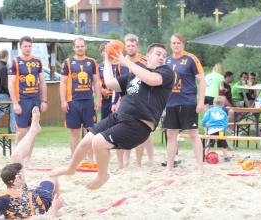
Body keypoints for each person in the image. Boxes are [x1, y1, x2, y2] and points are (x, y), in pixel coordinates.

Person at [50, 43, 174, 190]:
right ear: (148, 56)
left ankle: (103, 175)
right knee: (86, 141)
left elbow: (151, 79)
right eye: (158, 54)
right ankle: (70, 168)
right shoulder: (133, 75)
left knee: (98, 142)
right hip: (119, 116)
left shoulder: (166, 72)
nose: (162, 57)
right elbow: (109, 83)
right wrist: (108, 61)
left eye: (164, 55)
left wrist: (128, 62)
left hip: (139, 124)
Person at [0, 107, 65, 219]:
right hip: (38, 199)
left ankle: (33, 129)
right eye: (20, 176)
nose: (23, 175)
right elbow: (42, 218)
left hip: (22, 194)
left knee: (16, 156)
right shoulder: (34, 199)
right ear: (17, 180)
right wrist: (54, 209)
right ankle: (57, 203)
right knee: (51, 174)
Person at [111, 34, 157, 172]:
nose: (131, 48)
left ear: (137, 47)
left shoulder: (144, 60)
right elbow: (117, 83)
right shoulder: (120, 62)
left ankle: (148, 160)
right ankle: (124, 161)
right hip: (126, 99)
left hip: (144, 100)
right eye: (128, 46)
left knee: (145, 132)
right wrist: (115, 101)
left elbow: (152, 78)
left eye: (133, 45)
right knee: (122, 129)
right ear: (125, 47)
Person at [164, 33, 205, 174]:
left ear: (183, 44)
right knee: (171, 135)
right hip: (171, 102)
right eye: (173, 43)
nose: (176, 45)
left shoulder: (190, 58)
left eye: (178, 43)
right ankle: (169, 166)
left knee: (193, 134)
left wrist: (201, 102)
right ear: (170, 44)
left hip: (187, 101)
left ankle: (200, 167)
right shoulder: (167, 60)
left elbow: (202, 80)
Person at [8, 36, 48, 167]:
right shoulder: (14, 62)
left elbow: (42, 81)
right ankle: (17, 158)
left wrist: (44, 101)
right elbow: (10, 84)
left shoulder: (37, 61)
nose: (27, 48)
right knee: (20, 132)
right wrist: (15, 103)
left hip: (35, 100)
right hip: (22, 100)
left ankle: (27, 160)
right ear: (20, 47)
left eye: (29, 46)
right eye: (25, 46)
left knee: (32, 130)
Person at [60, 37, 102, 162]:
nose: (80, 48)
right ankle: (75, 159)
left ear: (85, 47)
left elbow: (96, 82)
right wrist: (63, 100)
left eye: (82, 46)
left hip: (88, 101)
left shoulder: (92, 62)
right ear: (73, 48)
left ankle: (90, 159)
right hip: (73, 102)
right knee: (74, 131)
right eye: (77, 46)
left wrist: (99, 99)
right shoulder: (67, 63)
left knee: (90, 131)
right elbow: (63, 82)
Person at [201, 96, 230, 162]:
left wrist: (204, 125)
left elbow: (204, 120)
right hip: (221, 130)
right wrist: (224, 129)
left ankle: (205, 155)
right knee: (223, 143)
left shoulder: (210, 111)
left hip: (211, 130)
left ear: (213, 103)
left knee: (209, 143)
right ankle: (226, 157)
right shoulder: (224, 113)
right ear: (223, 105)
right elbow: (226, 124)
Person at [99, 42, 114, 120]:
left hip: (117, 97)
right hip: (106, 98)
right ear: (101, 53)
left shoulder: (118, 64)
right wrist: (100, 90)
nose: (107, 53)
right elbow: (95, 83)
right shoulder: (99, 66)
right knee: (105, 121)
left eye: (108, 50)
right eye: (105, 51)